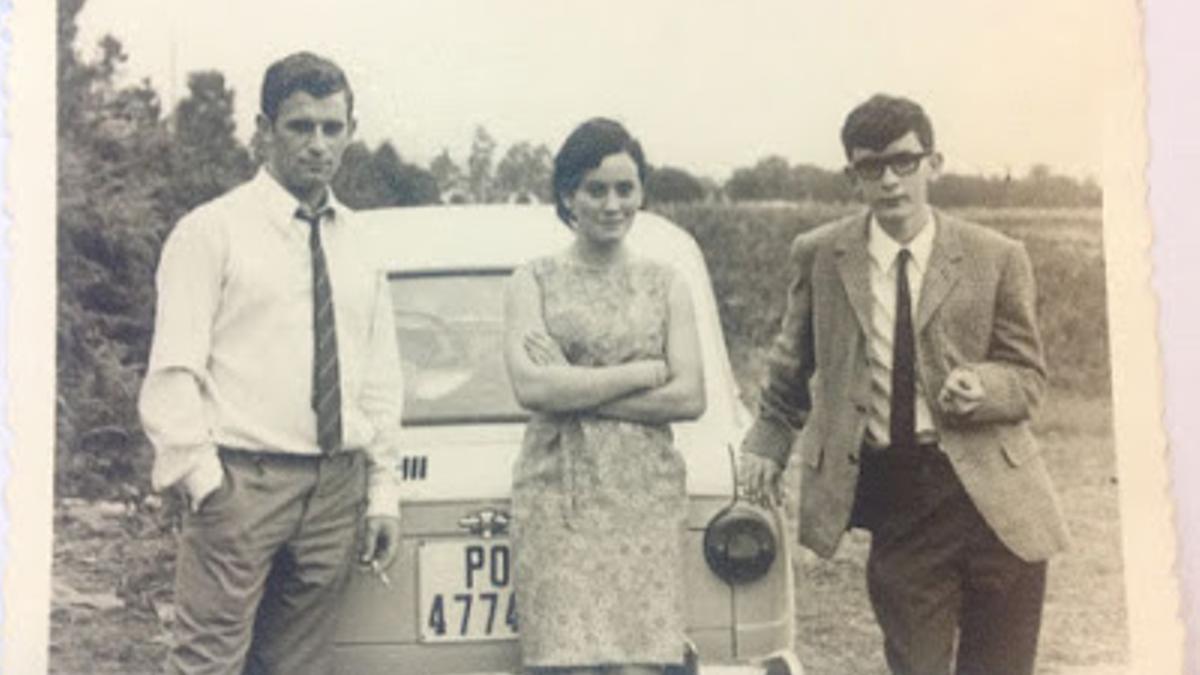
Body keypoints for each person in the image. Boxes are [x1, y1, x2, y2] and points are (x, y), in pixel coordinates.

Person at [741, 94, 1070, 675]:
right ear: (852, 177)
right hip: (901, 498)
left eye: (904, 162)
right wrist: (767, 444)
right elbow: (791, 366)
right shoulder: (822, 256)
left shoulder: (996, 256)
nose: (890, 181)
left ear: (933, 164)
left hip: (998, 503)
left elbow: (1028, 378)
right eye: (872, 167)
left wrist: (984, 387)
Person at [138, 52, 403, 675]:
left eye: (332, 128)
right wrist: (206, 482)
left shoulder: (362, 242)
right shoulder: (211, 232)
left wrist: (382, 492)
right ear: (263, 130)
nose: (318, 144)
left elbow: (379, 380)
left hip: (334, 491)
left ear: (350, 131)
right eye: (300, 126)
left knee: (296, 668)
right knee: (208, 664)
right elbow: (173, 372)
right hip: (242, 483)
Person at [503, 118, 706, 675]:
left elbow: (689, 396)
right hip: (556, 496)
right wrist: (642, 371)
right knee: (565, 660)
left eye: (625, 188)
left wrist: (573, 386)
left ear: (641, 192)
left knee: (639, 661)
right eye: (595, 189)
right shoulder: (532, 281)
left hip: (645, 496)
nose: (612, 204)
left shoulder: (667, 283)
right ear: (568, 194)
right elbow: (533, 387)